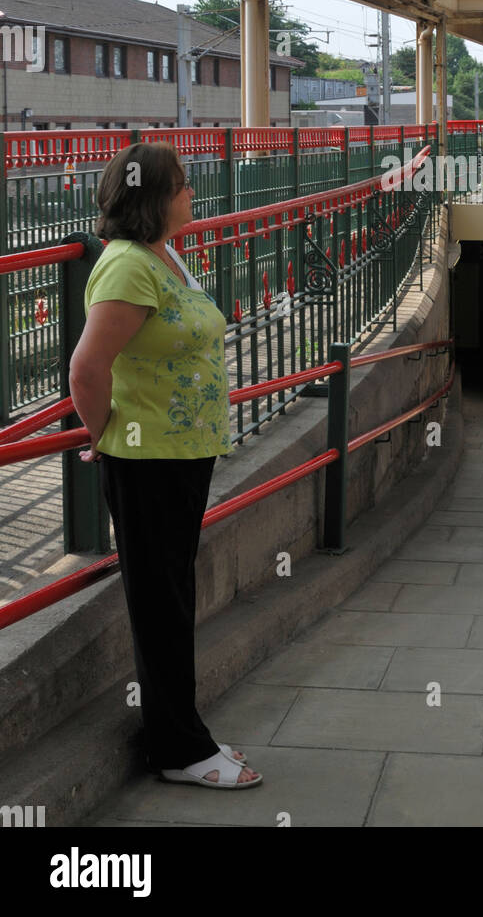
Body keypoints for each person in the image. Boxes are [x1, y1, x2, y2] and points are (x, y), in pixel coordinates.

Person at [69, 141, 262, 790]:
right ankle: (178, 751)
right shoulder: (126, 267)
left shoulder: (165, 255)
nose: (191, 194)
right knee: (161, 605)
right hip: (146, 457)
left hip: (182, 453)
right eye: (180, 185)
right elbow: (88, 369)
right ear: (151, 197)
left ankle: (187, 735)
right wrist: (102, 434)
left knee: (175, 597)